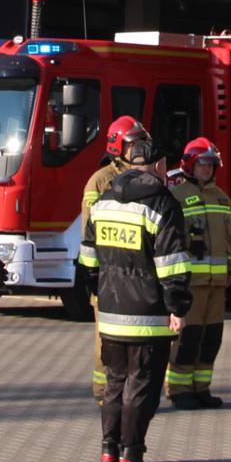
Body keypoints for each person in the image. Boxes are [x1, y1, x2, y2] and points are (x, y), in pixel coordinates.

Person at [86, 139, 193, 462]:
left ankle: (107, 460)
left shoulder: (104, 201)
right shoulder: (163, 204)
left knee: (114, 387)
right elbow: (171, 264)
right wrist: (177, 306)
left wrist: (99, 293)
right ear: (160, 166)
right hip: (149, 316)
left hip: (111, 313)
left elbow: (88, 259)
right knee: (141, 389)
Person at [79, 116, 150, 402]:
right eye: (134, 143)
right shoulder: (101, 180)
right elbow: (89, 231)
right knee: (105, 339)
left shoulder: (144, 176)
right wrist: (93, 275)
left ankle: (129, 392)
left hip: (135, 271)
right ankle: (104, 393)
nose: (139, 149)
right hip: (109, 272)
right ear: (118, 146)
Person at [164, 137, 231, 410]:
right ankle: (179, 389)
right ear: (190, 165)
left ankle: (201, 387)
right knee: (187, 338)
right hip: (190, 282)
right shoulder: (176, 196)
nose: (207, 169)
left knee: (211, 338)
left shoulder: (221, 197)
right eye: (202, 164)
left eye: (211, 165)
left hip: (217, 283)